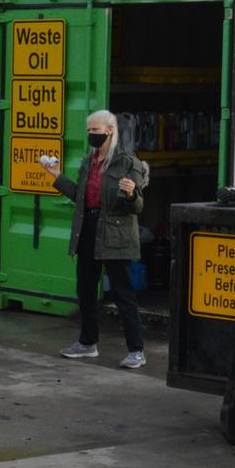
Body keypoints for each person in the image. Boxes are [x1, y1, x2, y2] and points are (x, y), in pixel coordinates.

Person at [42, 109, 147, 369]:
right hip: (88, 228)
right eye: (89, 130)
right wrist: (56, 176)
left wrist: (132, 194)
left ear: (110, 130)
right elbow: (80, 196)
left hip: (115, 233)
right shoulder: (90, 161)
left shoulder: (127, 161)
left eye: (95, 130)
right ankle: (87, 343)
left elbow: (137, 207)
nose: (91, 135)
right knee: (86, 289)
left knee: (123, 294)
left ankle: (136, 350)